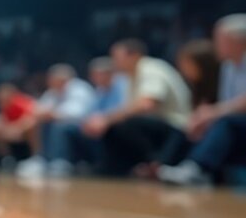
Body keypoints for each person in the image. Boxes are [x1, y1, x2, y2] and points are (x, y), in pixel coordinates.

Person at [82, 39, 192, 177]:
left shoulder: (151, 69)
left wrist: (105, 119)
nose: (113, 62)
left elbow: (147, 104)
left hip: (176, 128)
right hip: (157, 126)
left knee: (124, 124)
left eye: (116, 57)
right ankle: (115, 168)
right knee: (114, 126)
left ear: (133, 55)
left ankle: (156, 164)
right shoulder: (131, 76)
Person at [159, 14, 246, 185]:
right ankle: (168, 167)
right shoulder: (228, 66)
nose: (215, 45)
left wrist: (212, 113)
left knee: (226, 123)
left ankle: (196, 169)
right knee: (194, 126)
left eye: (219, 39)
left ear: (238, 40)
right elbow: (226, 104)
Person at [21, 64, 96, 176]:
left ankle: (60, 161)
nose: (49, 82)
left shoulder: (80, 88)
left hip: (82, 126)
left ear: (63, 79)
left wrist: (53, 114)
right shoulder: (52, 92)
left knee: (58, 125)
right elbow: (38, 109)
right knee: (36, 123)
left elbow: (78, 113)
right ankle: (40, 159)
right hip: (61, 124)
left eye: (52, 79)